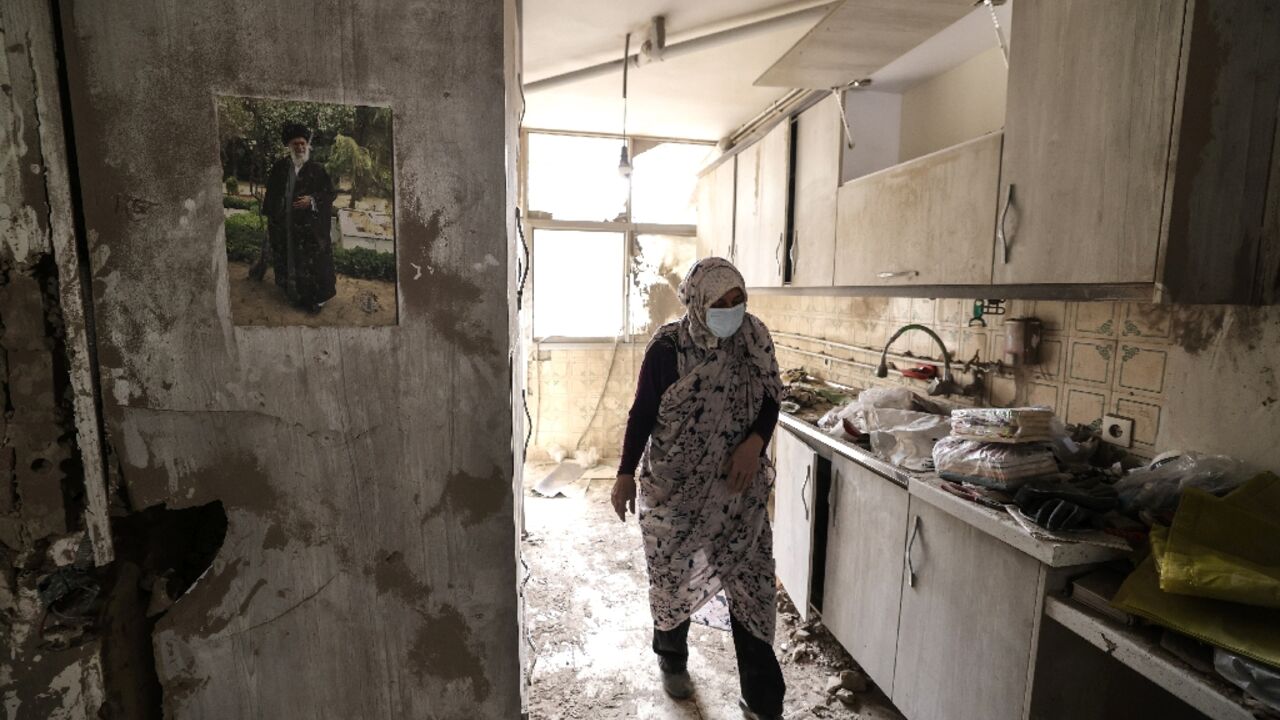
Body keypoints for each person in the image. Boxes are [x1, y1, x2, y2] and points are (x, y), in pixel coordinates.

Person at [611, 257, 786, 720]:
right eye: (720, 303)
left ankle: (763, 698)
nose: (732, 310)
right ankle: (671, 659)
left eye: (738, 299)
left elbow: (771, 396)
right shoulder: (668, 349)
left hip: (737, 490)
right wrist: (625, 472)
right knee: (673, 575)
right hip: (677, 489)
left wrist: (754, 443)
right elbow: (642, 413)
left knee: (752, 587)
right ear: (696, 303)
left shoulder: (754, 338)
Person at [263, 123, 337, 313]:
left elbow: (330, 194)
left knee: (313, 262)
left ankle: (315, 301)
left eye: (303, 144)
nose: (300, 148)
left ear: (308, 145)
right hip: (286, 226)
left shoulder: (317, 169)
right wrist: (274, 219)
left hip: (310, 228)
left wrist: (312, 200)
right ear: (289, 146)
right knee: (290, 259)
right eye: (296, 144)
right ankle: (294, 294)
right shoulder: (280, 168)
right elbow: (271, 195)